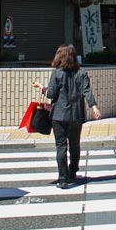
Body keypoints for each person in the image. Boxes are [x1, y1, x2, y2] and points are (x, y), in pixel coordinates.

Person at [32, 44, 101, 188]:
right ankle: (73, 170)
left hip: (59, 115)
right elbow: (86, 91)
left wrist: (41, 87)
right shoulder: (81, 73)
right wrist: (94, 106)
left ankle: (63, 179)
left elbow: (51, 94)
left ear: (60, 56)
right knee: (75, 145)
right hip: (76, 115)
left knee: (60, 146)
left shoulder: (57, 73)